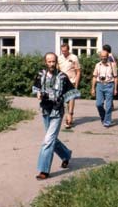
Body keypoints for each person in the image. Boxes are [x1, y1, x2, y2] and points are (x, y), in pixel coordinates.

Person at [32, 52, 80, 180]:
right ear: (45, 62)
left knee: (48, 141)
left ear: (56, 62)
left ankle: (43, 170)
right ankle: (66, 155)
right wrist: (38, 95)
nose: (52, 64)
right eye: (49, 62)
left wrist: (70, 114)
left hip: (57, 112)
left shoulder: (62, 77)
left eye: (54, 61)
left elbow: (72, 94)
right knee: (51, 138)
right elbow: (36, 89)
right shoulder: (40, 75)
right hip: (45, 111)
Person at [91, 49, 118, 127]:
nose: (103, 58)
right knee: (98, 104)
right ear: (100, 57)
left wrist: (115, 89)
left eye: (105, 56)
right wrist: (93, 88)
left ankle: (107, 121)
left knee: (109, 105)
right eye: (102, 56)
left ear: (107, 56)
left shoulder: (112, 65)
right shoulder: (97, 65)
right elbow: (94, 77)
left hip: (109, 85)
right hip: (99, 85)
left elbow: (116, 77)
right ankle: (104, 117)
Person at [58, 43, 81, 129]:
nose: (63, 52)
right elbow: (58, 70)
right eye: (62, 51)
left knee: (71, 99)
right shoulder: (59, 58)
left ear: (68, 50)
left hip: (72, 81)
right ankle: (67, 116)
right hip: (62, 81)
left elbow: (78, 71)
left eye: (65, 51)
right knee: (65, 101)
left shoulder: (74, 57)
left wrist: (77, 84)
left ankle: (69, 117)